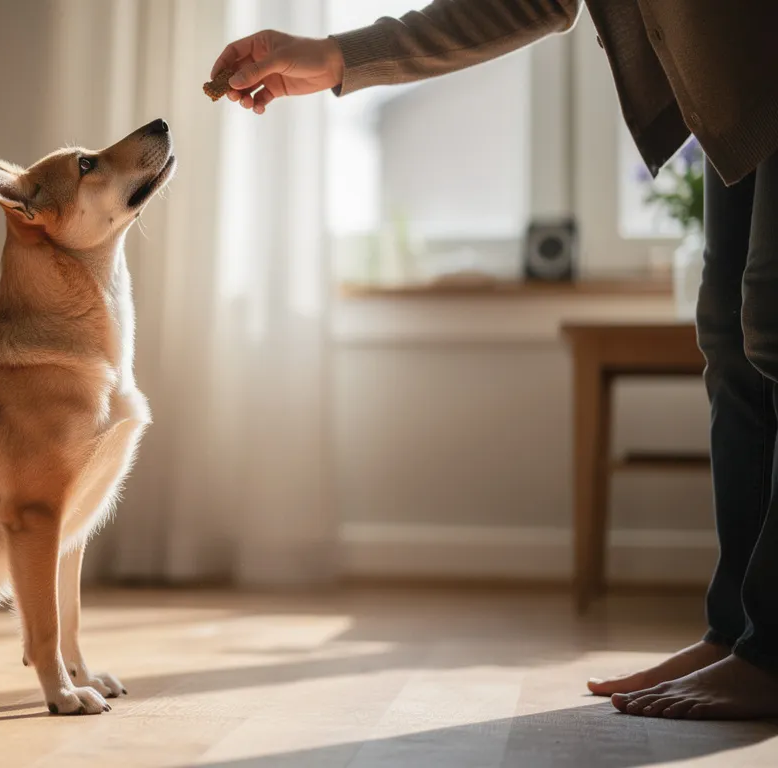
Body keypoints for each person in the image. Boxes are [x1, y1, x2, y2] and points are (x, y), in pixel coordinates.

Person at [209, 1, 778, 721]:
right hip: (742, 102)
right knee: (731, 339)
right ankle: (738, 631)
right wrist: (336, 55)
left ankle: (772, 652)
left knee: (772, 326)